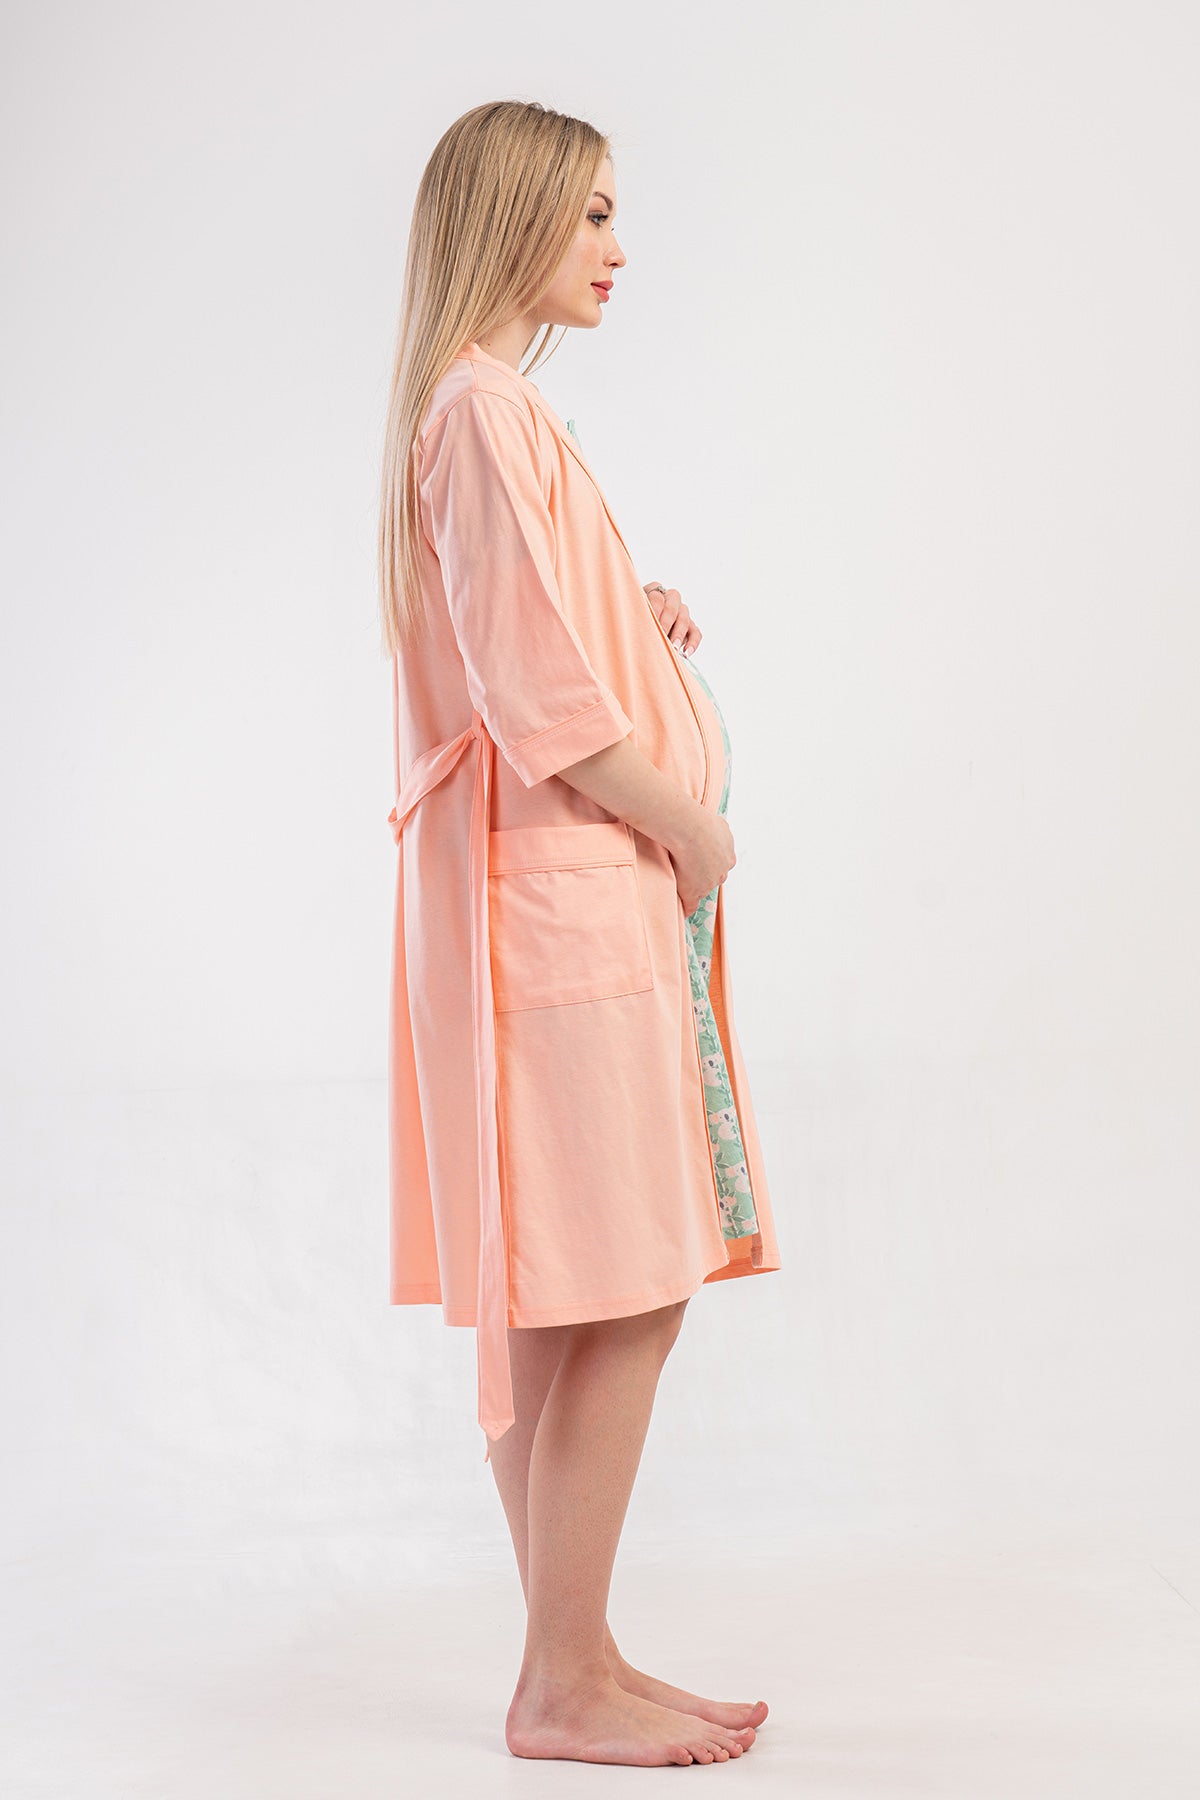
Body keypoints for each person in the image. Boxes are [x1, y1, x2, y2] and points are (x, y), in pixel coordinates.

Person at [377, 100, 782, 1767]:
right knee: (622, 1289)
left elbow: (537, 643)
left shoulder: (490, 413)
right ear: (518, 216)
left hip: (557, 897)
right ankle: (560, 1680)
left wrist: (639, 615)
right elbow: (546, 708)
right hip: (560, 900)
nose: (620, 248)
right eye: (595, 215)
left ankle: (578, 1654)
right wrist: (695, 828)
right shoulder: (484, 411)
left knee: (577, 1295)